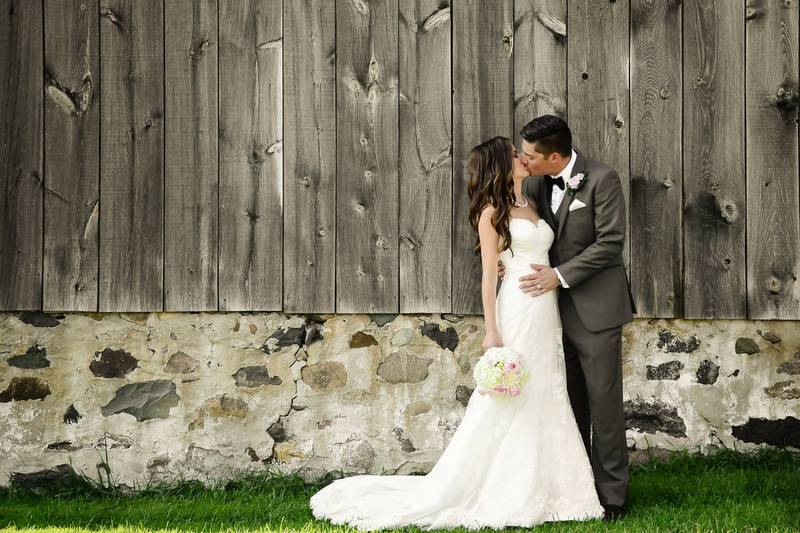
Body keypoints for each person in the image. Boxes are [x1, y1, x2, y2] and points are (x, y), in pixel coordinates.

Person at [309, 135, 605, 530]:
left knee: (547, 389)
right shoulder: (490, 212)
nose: (523, 158)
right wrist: (491, 332)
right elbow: (487, 276)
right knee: (513, 395)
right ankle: (507, 486)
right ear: (501, 165)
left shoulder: (532, 201)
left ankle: (557, 486)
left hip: (545, 311)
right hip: (516, 309)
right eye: (515, 155)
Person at [501, 114, 636, 521]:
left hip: (596, 308)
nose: (523, 162)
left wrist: (559, 276)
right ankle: (576, 488)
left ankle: (612, 495)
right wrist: (509, 262)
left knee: (604, 402)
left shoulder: (601, 179)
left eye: (529, 156)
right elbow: (521, 230)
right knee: (567, 402)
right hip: (548, 315)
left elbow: (610, 243)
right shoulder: (537, 184)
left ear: (554, 156)